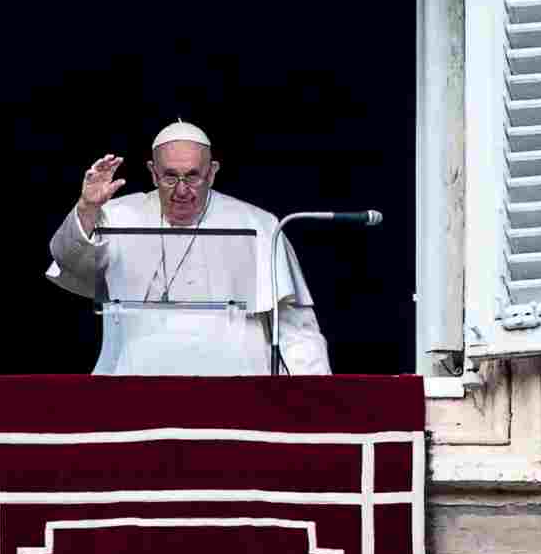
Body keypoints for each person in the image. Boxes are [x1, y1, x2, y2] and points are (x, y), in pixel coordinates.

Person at [46, 121, 331, 375]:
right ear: (152, 173)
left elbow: (296, 327)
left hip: (237, 386)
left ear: (212, 173)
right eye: (170, 177)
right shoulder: (117, 215)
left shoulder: (258, 224)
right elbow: (68, 259)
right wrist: (87, 208)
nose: (182, 190)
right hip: (138, 381)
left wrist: (314, 397)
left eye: (192, 176)